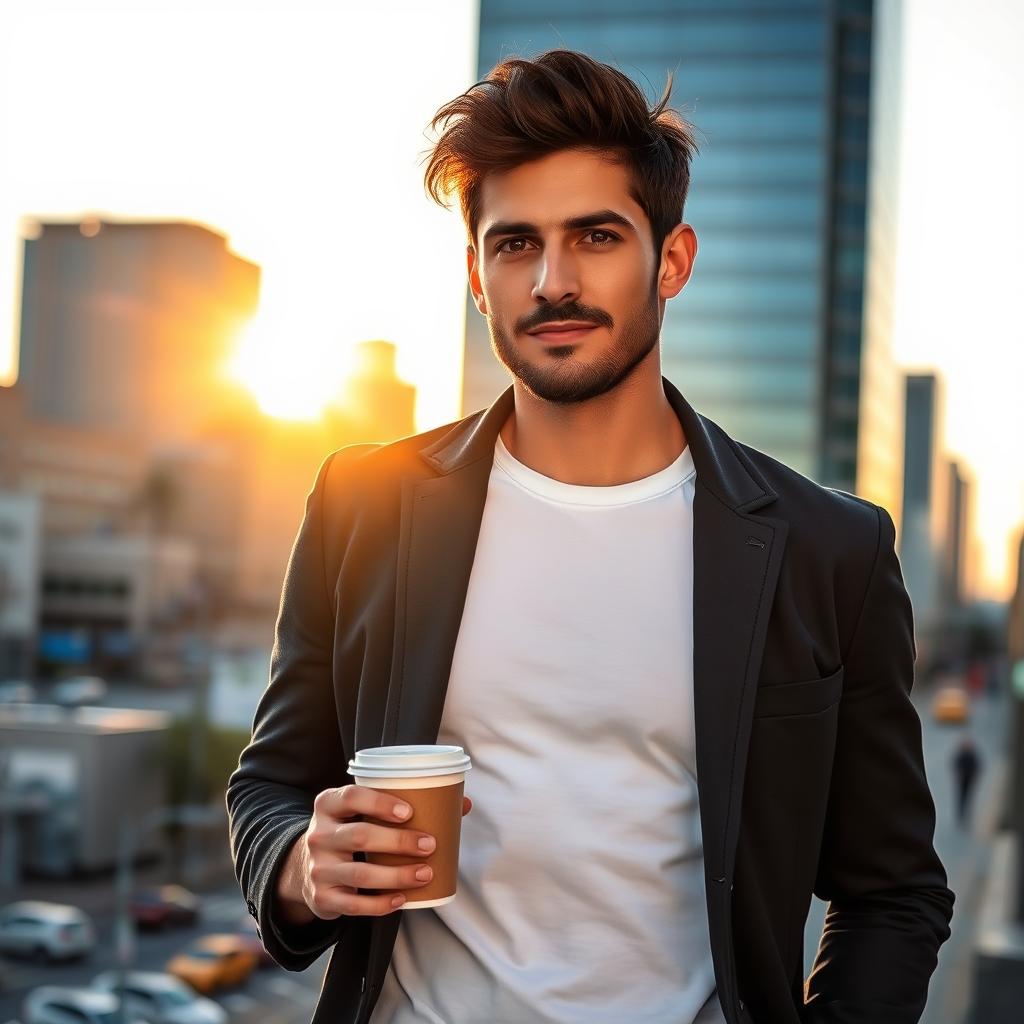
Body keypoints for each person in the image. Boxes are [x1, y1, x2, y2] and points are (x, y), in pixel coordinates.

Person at [227, 49, 954, 1024]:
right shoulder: (366, 503)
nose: (552, 282)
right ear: (477, 279)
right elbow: (271, 781)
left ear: (672, 260)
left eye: (596, 236)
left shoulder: (828, 549)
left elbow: (892, 893)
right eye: (515, 244)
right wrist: (298, 867)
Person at [952, 735, 982, 830]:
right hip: (962, 780)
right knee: (961, 797)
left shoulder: (972, 755)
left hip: (969, 779)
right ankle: (960, 815)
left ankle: (966, 815)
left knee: (968, 797)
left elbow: (977, 767)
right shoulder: (962, 755)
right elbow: (955, 766)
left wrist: (975, 776)